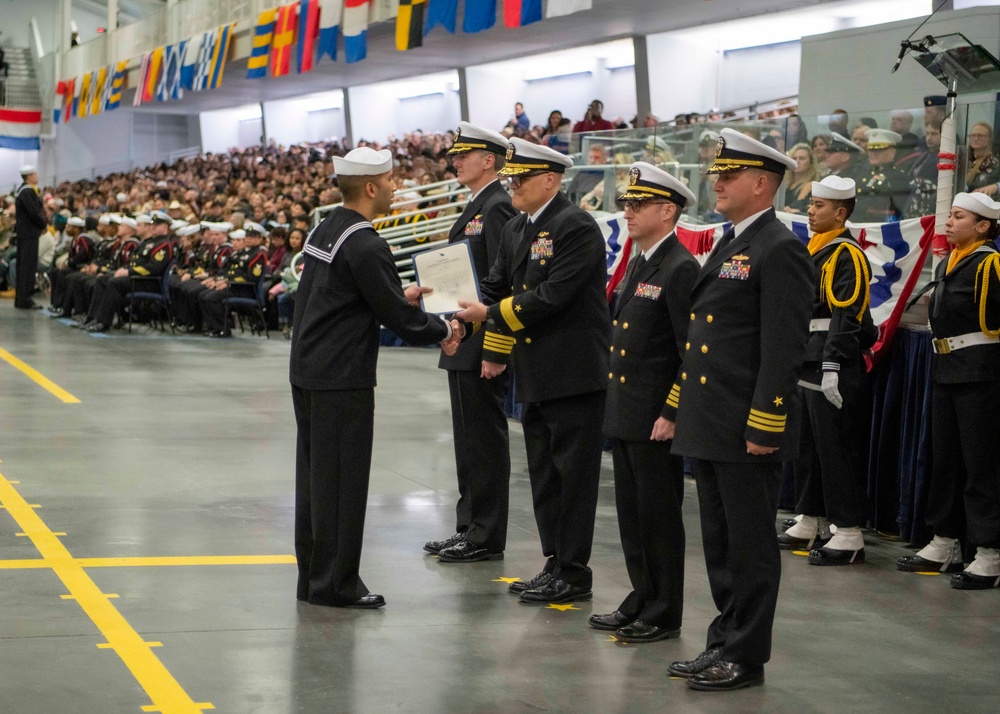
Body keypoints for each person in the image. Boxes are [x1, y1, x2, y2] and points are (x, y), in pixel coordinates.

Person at [662, 128, 813, 691]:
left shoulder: (779, 248)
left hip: (746, 424)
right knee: (721, 544)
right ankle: (723, 639)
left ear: (761, 184)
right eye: (717, 174)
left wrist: (767, 420)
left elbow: (782, 347)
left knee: (749, 547)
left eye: (729, 175)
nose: (717, 183)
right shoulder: (731, 241)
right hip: (711, 419)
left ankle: (746, 656)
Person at [290, 147, 462, 610]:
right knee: (343, 482)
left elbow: (345, 296)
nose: (395, 186)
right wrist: (445, 328)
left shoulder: (329, 228)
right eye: (389, 180)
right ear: (370, 187)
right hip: (341, 377)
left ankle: (314, 578)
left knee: (315, 481)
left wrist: (393, 293)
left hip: (309, 370)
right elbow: (399, 320)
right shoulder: (366, 241)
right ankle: (338, 585)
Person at [456, 138, 610, 605]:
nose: (513, 187)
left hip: (573, 370)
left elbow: (553, 296)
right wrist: (455, 302)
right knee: (544, 473)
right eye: (511, 179)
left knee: (573, 476)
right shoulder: (519, 227)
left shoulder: (576, 225)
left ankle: (575, 570)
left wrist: (488, 313)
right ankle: (555, 560)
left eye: (520, 179)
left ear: (550, 180)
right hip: (536, 370)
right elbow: (497, 283)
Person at [588, 163, 698, 643]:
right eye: (626, 204)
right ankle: (642, 595)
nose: (627, 212)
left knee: (657, 517)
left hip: (653, 415)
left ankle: (664, 609)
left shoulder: (680, 267)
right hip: (628, 410)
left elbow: (689, 350)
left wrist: (671, 411)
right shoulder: (639, 260)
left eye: (638, 205)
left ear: (667, 210)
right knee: (632, 517)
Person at [424, 123, 519, 563]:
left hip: (484, 341)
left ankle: (486, 534)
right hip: (464, 338)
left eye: (464, 155)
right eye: (454, 155)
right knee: (467, 440)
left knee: (483, 440)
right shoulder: (477, 206)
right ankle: (469, 525)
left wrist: (496, 346)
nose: (455, 161)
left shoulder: (497, 206)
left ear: (489, 160)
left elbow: (504, 282)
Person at [897, 192, 1000, 590]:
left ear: (983, 226)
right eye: (951, 215)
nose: (949, 222)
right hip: (945, 368)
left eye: (959, 217)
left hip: (980, 372)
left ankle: (988, 552)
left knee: (980, 465)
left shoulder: (990, 263)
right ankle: (944, 540)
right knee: (945, 461)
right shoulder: (950, 263)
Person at [779, 176, 875, 565]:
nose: (810, 210)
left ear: (841, 212)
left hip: (831, 360)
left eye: (819, 206)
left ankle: (849, 531)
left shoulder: (846, 253)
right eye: (811, 203)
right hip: (809, 356)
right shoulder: (816, 249)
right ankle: (812, 515)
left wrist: (833, 362)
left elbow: (846, 313)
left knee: (835, 448)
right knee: (808, 446)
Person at [85, 211, 175, 333]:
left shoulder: (164, 245)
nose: (153, 227)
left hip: (150, 282)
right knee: (102, 280)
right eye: (152, 225)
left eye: (157, 225)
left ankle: (103, 322)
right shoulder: (150, 243)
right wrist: (125, 269)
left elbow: (153, 269)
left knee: (114, 283)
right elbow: (135, 262)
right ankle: (93, 318)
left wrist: (129, 272)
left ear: (165, 227)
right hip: (138, 278)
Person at [855, 129, 909, 222]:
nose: (873, 153)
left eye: (879, 149)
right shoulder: (863, 173)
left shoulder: (897, 177)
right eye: (871, 149)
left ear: (892, 153)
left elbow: (894, 210)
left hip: (878, 226)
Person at [13, 165, 47, 309]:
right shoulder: (27, 192)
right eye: (34, 174)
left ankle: (22, 298)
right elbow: (34, 213)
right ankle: (25, 299)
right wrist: (43, 224)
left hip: (25, 233)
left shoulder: (23, 190)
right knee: (27, 266)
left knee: (24, 265)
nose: (37, 176)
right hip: (29, 233)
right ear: (29, 177)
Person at [782, 143, 820, 214]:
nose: (797, 161)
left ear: (811, 162)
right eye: (794, 158)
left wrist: (796, 211)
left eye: (802, 158)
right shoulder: (786, 184)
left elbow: (812, 209)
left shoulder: (811, 186)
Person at [966, 122, 1000, 195]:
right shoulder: (964, 159)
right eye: (973, 135)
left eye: (980, 136)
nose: (975, 138)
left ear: (989, 139)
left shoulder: (993, 162)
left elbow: (982, 185)